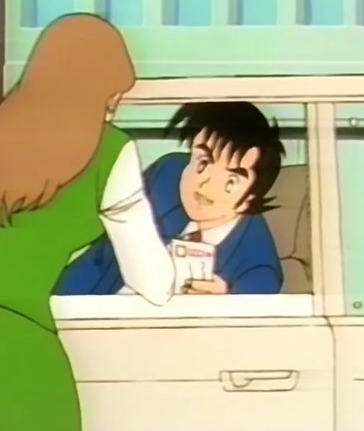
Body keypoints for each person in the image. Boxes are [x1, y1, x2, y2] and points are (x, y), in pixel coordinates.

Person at [0, 13, 175, 431]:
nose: (112, 110)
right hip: (19, 326)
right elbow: (153, 284)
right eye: (111, 98)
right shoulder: (112, 151)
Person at [56, 101, 285, 296]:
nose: (205, 183)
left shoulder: (256, 260)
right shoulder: (169, 174)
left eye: (230, 182)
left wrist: (226, 299)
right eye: (202, 163)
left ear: (249, 199)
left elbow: (257, 305)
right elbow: (102, 247)